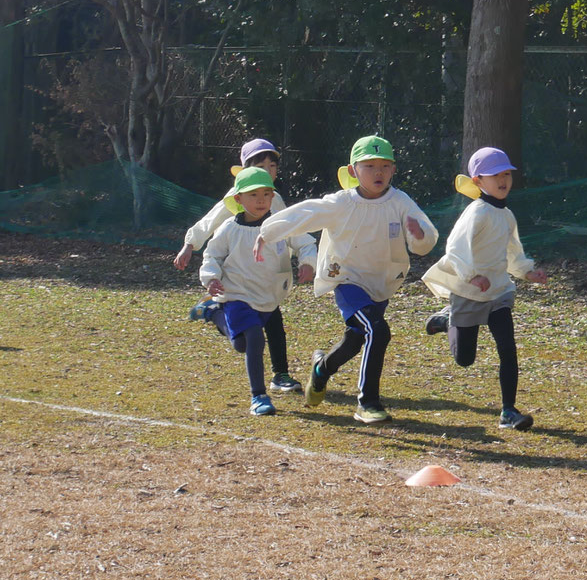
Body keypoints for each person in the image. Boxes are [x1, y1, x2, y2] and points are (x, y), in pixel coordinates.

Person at [256, 135, 434, 423]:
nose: (378, 172)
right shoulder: (342, 203)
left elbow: (425, 241)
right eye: (369, 166)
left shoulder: (401, 202)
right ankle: (368, 403)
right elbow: (305, 213)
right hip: (347, 281)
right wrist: (267, 232)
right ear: (352, 171)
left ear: (394, 170)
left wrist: (419, 234)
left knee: (356, 340)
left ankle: (321, 369)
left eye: (385, 166)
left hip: (382, 284)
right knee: (378, 331)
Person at [423, 146, 548, 430]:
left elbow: (512, 252)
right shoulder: (476, 213)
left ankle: (508, 412)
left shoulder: (507, 216)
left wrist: (528, 271)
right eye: (495, 176)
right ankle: (447, 318)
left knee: (508, 348)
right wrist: (472, 276)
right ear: (478, 181)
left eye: (506, 174)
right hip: (468, 292)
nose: (503, 180)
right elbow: (454, 249)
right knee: (465, 359)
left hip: (499, 293)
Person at [176, 138, 299, 391]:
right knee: (257, 332)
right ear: (244, 171)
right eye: (260, 165)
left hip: (269, 276)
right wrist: (190, 244)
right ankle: (215, 311)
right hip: (241, 280)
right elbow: (211, 221)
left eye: (272, 165)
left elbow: (291, 229)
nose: (267, 171)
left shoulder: (274, 198)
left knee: (273, 323)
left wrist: (301, 255)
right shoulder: (237, 198)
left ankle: (280, 374)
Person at [196, 167, 315, 416]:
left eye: (266, 193)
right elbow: (212, 255)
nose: (261, 200)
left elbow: (305, 242)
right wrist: (211, 278)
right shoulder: (229, 228)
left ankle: (212, 313)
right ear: (238, 199)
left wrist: (307, 263)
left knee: (242, 345)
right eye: (253, 195)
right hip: (236, 294)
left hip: (268, 297)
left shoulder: (281, 225)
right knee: (255, 338)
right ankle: (258, 396)